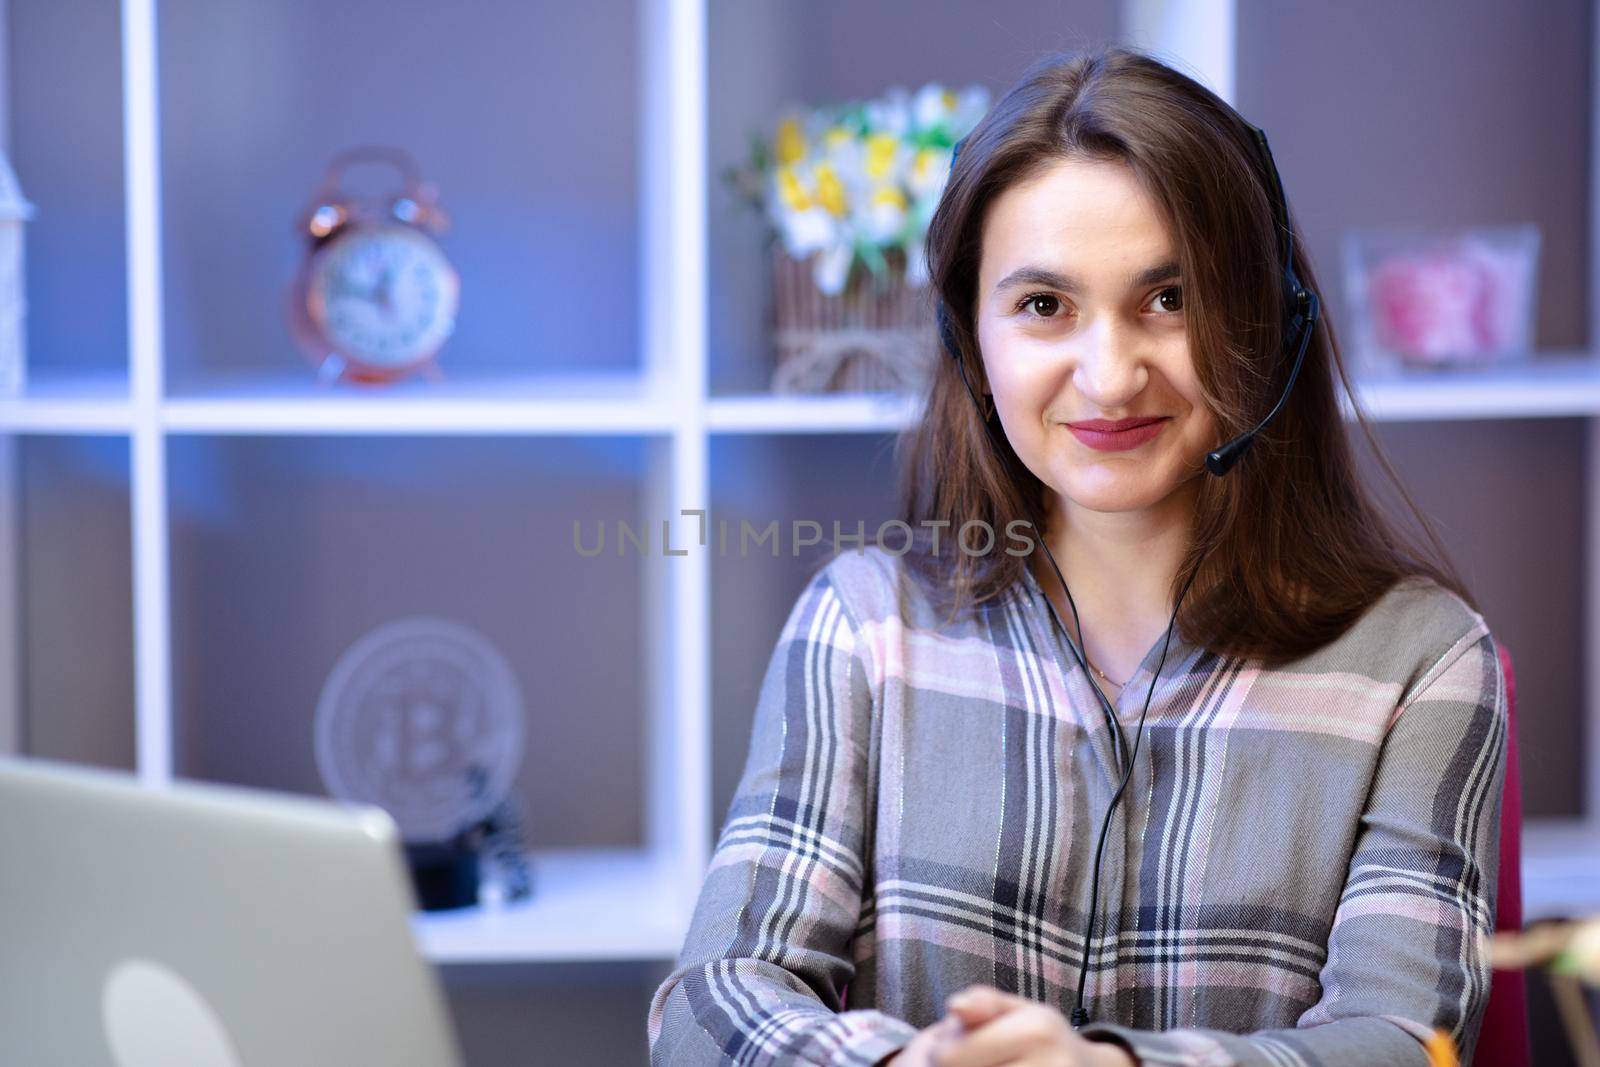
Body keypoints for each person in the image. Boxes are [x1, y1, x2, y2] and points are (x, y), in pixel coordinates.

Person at [647, 45, 1507, 1067]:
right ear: (970, 337)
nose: (1108, 374)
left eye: (1170, 299)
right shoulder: (864, 624)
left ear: (1270, 322)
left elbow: (1411, 1041)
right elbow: (710, 1001)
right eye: (1043, 305)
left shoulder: (1423, 656)